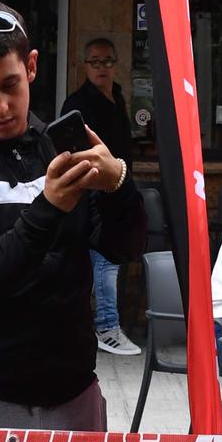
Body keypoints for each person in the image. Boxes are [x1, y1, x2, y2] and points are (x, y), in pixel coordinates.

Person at [0, 4, 146, 432]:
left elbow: (123, 247)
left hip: (73, 392)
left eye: (10, 85)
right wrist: (50, 206)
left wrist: (119, 185)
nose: (0, 106)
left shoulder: (60, 148)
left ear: (32, 67)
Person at [60, 37, 139, 356]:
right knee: (103, 261)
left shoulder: (117, 97)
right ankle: (107, 326)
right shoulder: (78, 104)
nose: (102, 68)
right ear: (84, 66)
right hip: (92, 192)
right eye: (95, 62)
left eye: (107, 61)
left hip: (118, 187)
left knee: (110, 259)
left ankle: (104, 323)